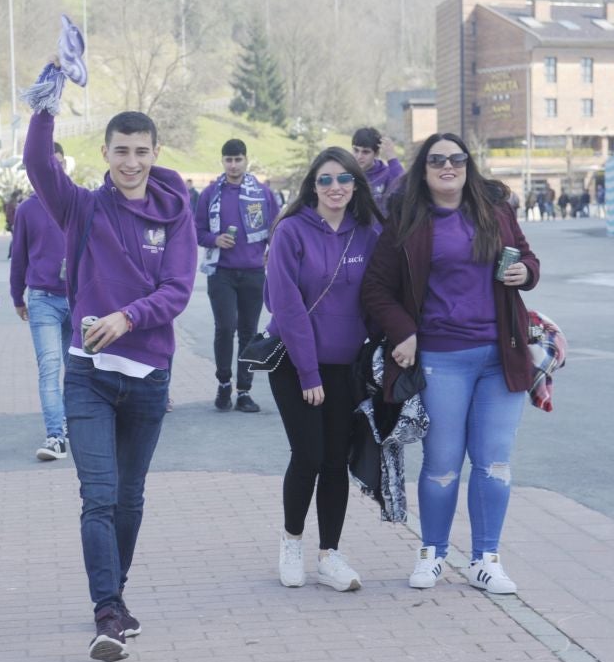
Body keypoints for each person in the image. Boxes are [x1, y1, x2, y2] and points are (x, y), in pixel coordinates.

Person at [25, 105, 196, 662]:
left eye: (141, 151)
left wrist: (128, 317)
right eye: (120, 151)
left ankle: (115, 596)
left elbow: (177, 288)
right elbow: (37, 163)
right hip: (89, 376)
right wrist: (45, 106)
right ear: (105, 153)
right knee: (98, 495)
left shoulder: (174, 214)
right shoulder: (83, 208)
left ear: (155, 153)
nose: (131, 161)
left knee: (129, 498)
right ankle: (107, 614)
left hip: (148, 377)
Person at [361, 132, 539, 595]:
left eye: (456, 159)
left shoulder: (495, 209)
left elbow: (528, 257)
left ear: (467, 165)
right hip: (441, 358)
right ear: (423, 169)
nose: (448, 167)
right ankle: (432, 553)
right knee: (441, 463)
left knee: (494, 463)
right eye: (437, 160)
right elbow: (376, 289)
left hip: (501, 356)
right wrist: (404, 332)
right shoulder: (405, 218)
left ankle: (486, 559)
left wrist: (527, 272)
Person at [265, 147, 382, 591]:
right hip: (296, 364)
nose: (336, 188)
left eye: (344, 179)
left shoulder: (369, 233)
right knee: (309, 455)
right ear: (313, 185)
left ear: (356, 185)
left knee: (336, 461)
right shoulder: (291, 231)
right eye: (326, 180)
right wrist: (309, 372)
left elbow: (378, 294)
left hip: (346, 367)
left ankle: (329, 555)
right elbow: (286, 304)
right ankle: (292, 540)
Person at [195, 138, 278, 413]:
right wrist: (215, 239)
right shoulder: (210, 194)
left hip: (254, 272)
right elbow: (196, 231)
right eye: (228, 160)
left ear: (246, 160)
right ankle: (223, 384)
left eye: (238, 159)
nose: (233, 165)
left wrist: (272, 251)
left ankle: (244, 391)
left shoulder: (263, 193)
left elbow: (278, 228)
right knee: (225, 327)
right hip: (222, 273)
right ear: (222, 161)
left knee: (248, 332)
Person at [10, 141, 72, 461]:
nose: (53, 171)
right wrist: (16, 295)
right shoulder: (27, 210)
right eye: (47, 165)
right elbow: (18, 255)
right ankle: (55, 436)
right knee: (49, 367)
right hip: (43, 300)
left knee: (79, 368)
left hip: (79, 300)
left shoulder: (78, 202)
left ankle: (80, 423)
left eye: (58, 164)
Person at [352, 128, 405, 212]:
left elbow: (404, 188)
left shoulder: (387, 174)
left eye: (365, 152)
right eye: (356, 150)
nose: (359, 156)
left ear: (376, 154)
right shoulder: (346, 173)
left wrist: (392, 157)